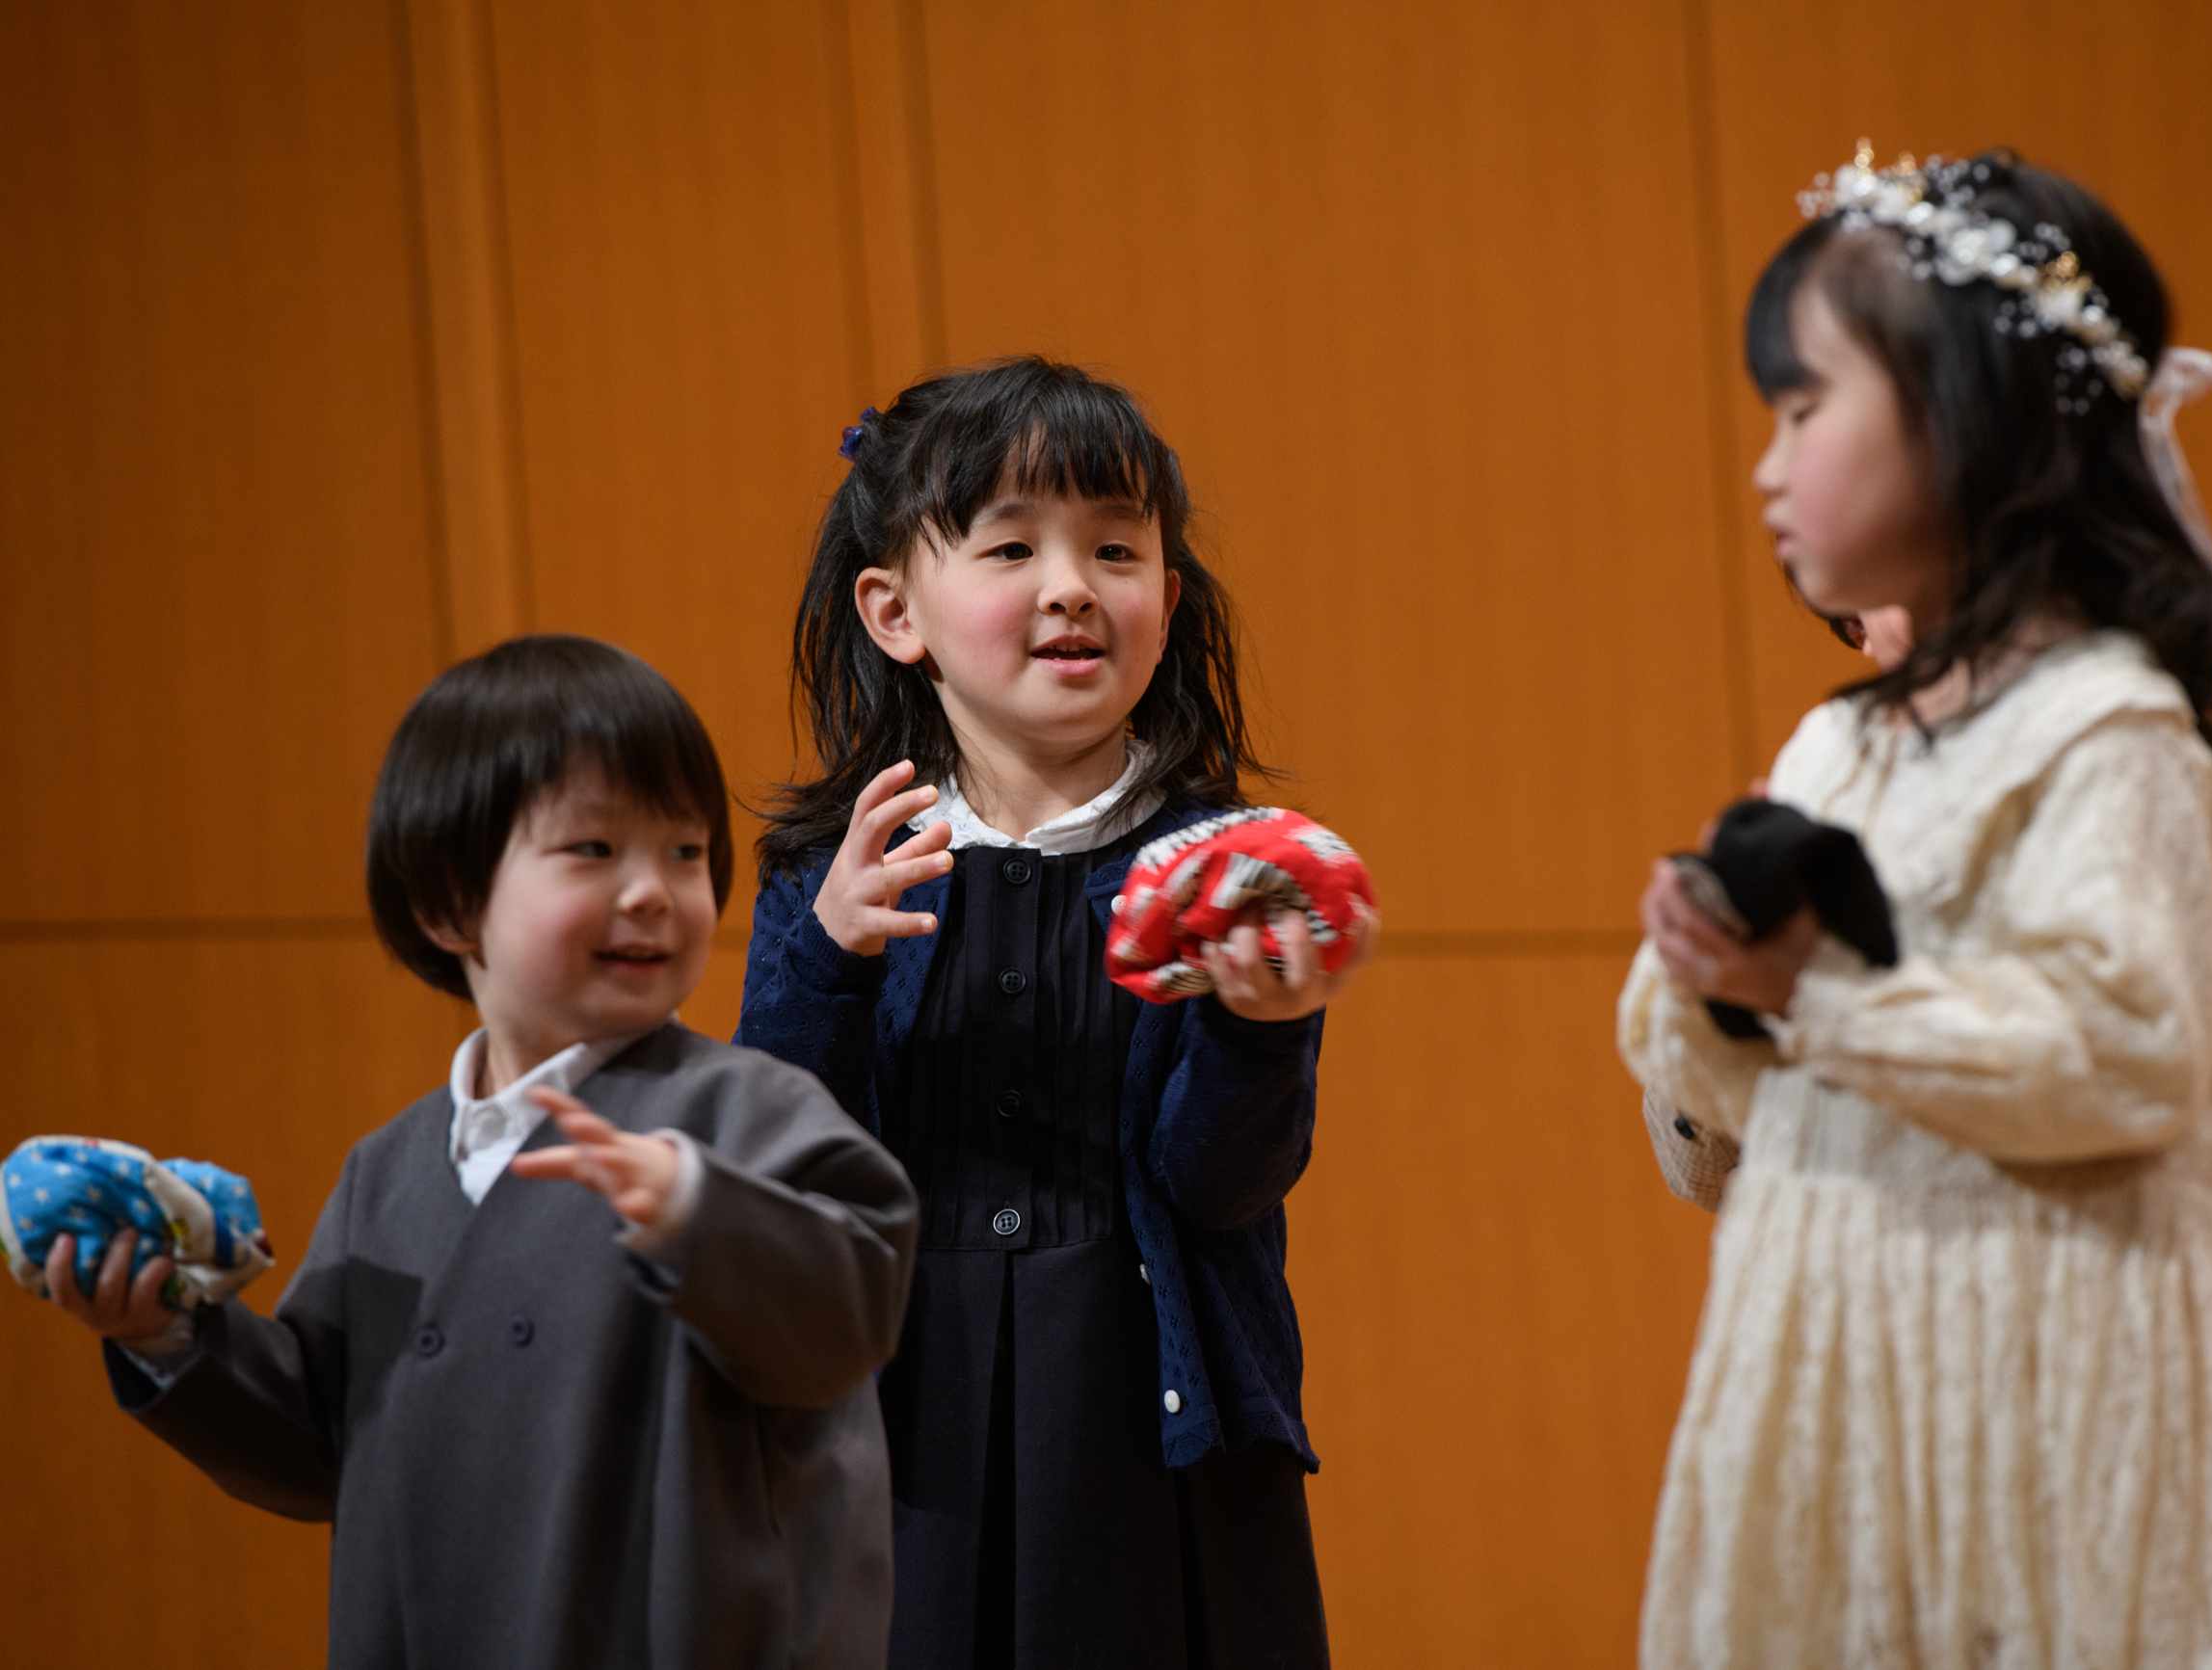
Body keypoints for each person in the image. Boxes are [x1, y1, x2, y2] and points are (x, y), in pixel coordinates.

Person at [1617, 149, 2212, 1664]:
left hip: (2068, 1391)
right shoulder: (1835, 742)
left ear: (1970, 418)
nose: (1768, 465)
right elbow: (1720, 1096)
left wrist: (1820, 997)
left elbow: (2132, 1055)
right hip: (1857, 1372)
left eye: (1804, 406)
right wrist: (1710, 980)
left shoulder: (2115, 736)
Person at [31, 634, 919, 1669]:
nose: (651, 891)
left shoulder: (747, 1108)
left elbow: (851, 1313)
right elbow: (326, 1439)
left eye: (682, 851)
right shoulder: (391, 1169)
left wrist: (693, 1208)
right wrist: (169, 1338)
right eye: (593, 850)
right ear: (450, 904)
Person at [734, 358, 1373, 1669]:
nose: (1072, 583)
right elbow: (777, 1174)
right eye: (1012, 544)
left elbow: (1222, 1185)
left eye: (1116, 548)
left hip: (1150, 1430)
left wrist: (1261, 1026)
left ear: (1168, 600)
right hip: (906, 1436)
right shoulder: (835, 865)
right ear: (894, 609)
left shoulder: (1229, 864)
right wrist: (833, 954)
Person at [1655, 602, 2212, 1309]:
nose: (1879, 644)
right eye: (1853, 618)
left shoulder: (2194, 773)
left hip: (2146, 1331)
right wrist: (1735, 983)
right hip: (1891, 1346)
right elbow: (1702, 1169)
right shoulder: (1823, 794)